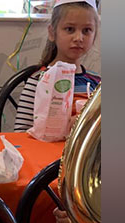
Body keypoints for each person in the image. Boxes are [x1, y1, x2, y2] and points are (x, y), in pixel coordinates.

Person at [14, 0, 101, 132]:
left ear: (94, 36)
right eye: (70, 29)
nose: (78, 38)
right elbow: (20, 133)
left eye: (87, 30)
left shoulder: (97, 85)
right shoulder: (38, 81)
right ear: (52, 33)